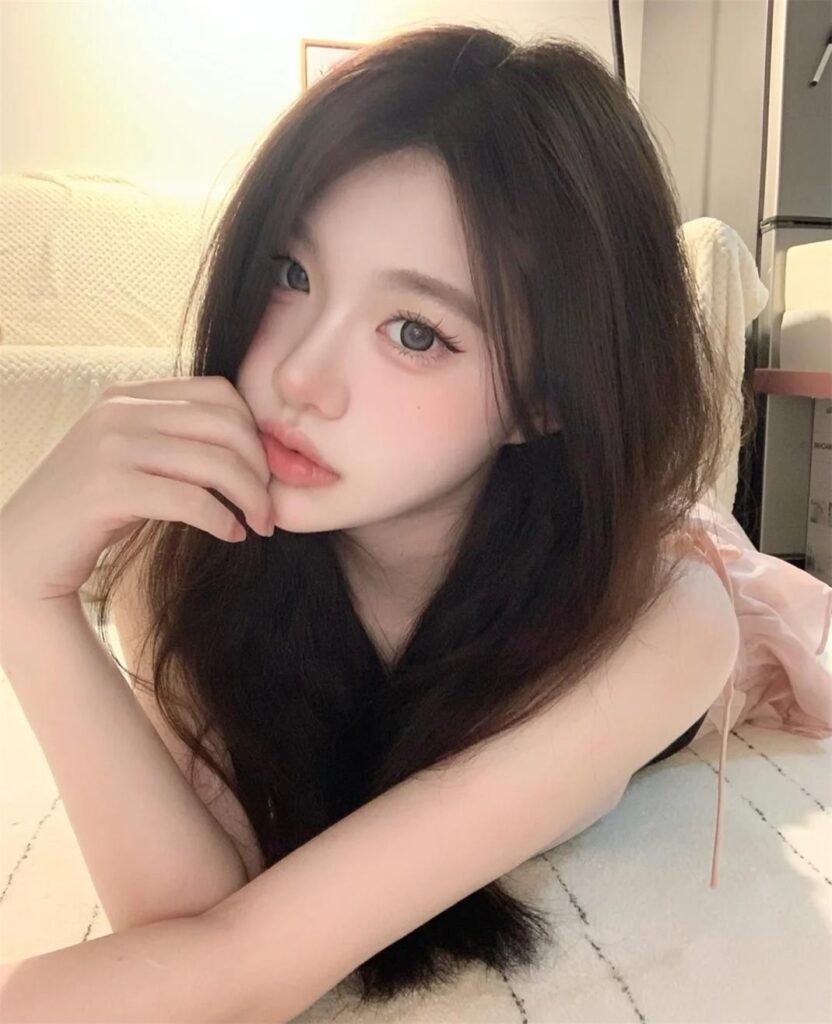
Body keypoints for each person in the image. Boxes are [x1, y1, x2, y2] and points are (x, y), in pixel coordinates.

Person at [1, 24, 828, 1023]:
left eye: (414, 332)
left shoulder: (661, 618)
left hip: (622, 577)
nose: (297, 378)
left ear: (543, 399)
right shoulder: (186, 547)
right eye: (291, 274)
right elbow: (190, 933)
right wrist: (23, 593)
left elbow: (232, 975)